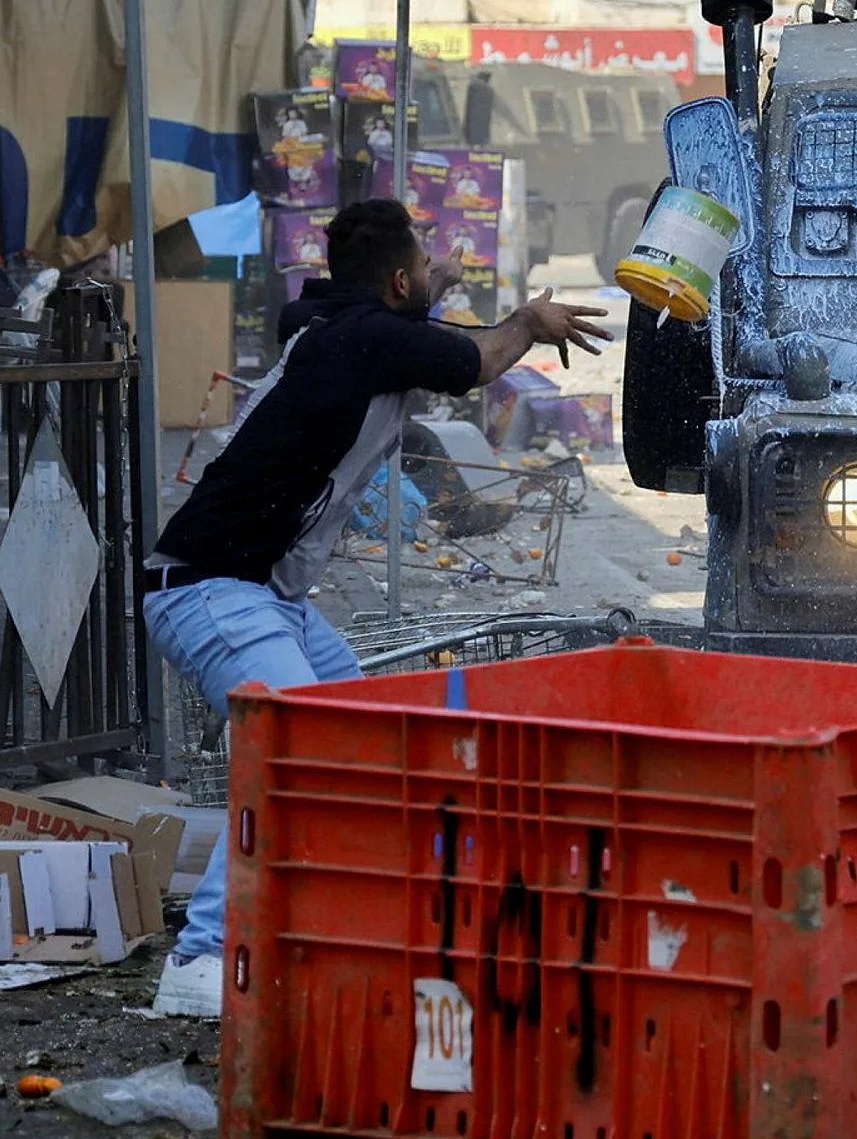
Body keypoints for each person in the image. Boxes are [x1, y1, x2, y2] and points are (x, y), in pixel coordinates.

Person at [140, 198, 609, 1017]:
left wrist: (438, 284)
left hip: (264, 598)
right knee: (295, 744)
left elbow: (419, 328)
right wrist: (529, 322)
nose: (432, 274)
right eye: (423, 266)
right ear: (398, 282)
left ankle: (326, 925)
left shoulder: (338, 323)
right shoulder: (365, 339)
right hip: (210, 591)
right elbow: (481, 356)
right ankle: (200, 958)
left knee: (373, 735)